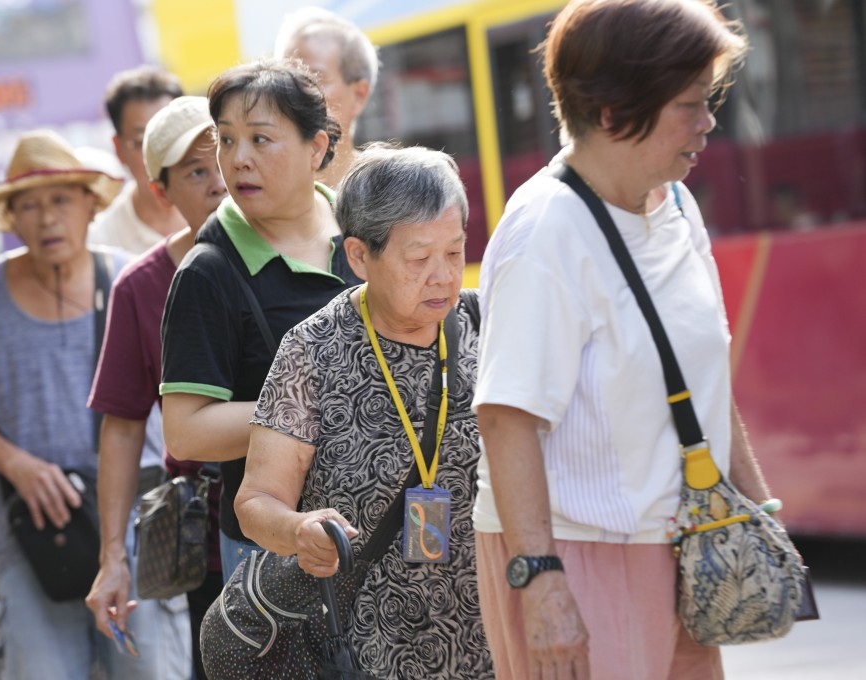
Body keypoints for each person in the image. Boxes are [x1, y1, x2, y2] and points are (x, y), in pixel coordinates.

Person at [470, 2, 768, 679]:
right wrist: (542, 583)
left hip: (687, 543)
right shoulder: (544, 233)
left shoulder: (675, 205)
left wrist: (756, 508)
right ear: (611, 113)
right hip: (579, 553)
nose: (708, 123)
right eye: (689, 105)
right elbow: (506, 417)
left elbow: (702, 376)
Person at [235, 144, 494, 679]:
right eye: (419, 259)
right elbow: (256, 501)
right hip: (367, 645)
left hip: (492, 632)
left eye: (454, 252)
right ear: (358, 256)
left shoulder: (485, 324)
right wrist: (298, 530)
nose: (444, 276)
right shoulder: (313, 350)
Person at [160, 58, 361, 582]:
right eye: (226, 140)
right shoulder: (209, 271)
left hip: (379, 530)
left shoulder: (365, 233)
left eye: (260, 140)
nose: (238, 160)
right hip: (272, 552)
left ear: (316, 148)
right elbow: (184, 433)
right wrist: (316, 409)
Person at [0, 129, 128, 680]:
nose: (46, 218)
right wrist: (18, 466)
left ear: (89, 206)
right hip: (30, 520)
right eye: (28, 205)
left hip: (126, 519)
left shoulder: (125, 277)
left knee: (147, 667)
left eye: (59, 200)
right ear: (11, 219)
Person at [85, 95, 227, 680]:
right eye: (197, 172)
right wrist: (113, 557)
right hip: (210, 539)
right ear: (162, 193)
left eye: (227, 158)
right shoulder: (141, 287)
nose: (221, 182)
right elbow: (120, 426)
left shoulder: (306, 251)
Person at [274, 7, 377, 188]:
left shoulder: (385, 194)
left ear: (359, 95)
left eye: (314, 78)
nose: (292, 92)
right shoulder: (254, 198)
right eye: (285, 77)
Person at [89, 66, 186, 253]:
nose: (158, 155)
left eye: (170, 137)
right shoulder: (102, 244)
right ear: (119, 149)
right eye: (141, 142)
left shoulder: (229, 212)